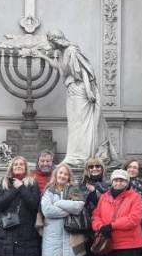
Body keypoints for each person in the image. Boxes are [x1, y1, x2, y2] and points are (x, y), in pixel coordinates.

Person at [35, 30, 118, 167]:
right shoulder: (62, 53)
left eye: (51, 41)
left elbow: (85, 71)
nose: (50, 44)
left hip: (81, 90)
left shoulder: (72, 50)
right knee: (74, 125)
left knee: (82, 124)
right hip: (72, 90)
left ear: (56, 40)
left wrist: (88, 90)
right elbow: (61, 69)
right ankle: (75, 155)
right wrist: (43, 57)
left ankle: (82, 157)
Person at [41, 163, 85, 256]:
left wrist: (58, 203)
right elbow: (47, 211)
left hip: (71, 236)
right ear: (56, 174)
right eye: (60, 173)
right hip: (52, 238)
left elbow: (78, 207)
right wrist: (68, 210)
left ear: (69, 176)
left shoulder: (75, 189)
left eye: (65, 174)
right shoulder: (48, 190)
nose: (62, 176)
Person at [79, 157, 109, 256]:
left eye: (97, 166)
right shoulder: (81, 184)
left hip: (99, 229)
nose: (94, 169)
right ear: (87, 169)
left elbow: (108, 203)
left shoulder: (107, 185)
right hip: (83, 228)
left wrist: (96, 191)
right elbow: (77, 203)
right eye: (91, 167)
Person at [31, 150, 54, 256]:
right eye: (42, 161)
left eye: (48, 161)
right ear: (38, 162)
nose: (45, 163)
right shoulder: (31, 177)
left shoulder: (57, 176)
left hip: (54, 226)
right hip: (36, 226)